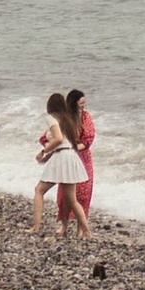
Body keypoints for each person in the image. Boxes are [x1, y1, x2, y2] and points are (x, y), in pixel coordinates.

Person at [33, 92, 88, 235]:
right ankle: (87, 232)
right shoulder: (68, 119)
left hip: (62, 158)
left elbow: (57, 139)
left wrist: (43, 151)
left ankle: (35, 227)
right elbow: (65, 142)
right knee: (72, 200)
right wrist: (49, 154)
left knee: (39, 190)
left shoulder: (51, 118)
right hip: (70, 156)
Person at [57, 87, 96, 229]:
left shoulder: (86, 117)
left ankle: (81, 228)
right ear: (73, 103)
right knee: (65, 194)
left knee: (84, 194)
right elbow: (53, 135)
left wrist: (76, 147)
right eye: (81, 103)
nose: (83, 105)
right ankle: (64, 226)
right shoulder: (64, 118)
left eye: (84, 102)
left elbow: (89, 138)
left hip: (83, 158)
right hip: (67, 157)